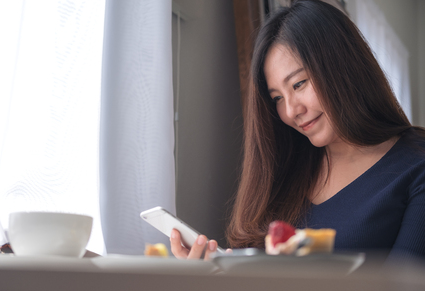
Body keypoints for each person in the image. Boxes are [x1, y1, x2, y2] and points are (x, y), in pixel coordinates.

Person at [171, 0, 425, 262]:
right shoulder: (285, 168)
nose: (291, 111)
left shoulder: (416, 166)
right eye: (277, 98)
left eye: (298, 84)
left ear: (343, 66)